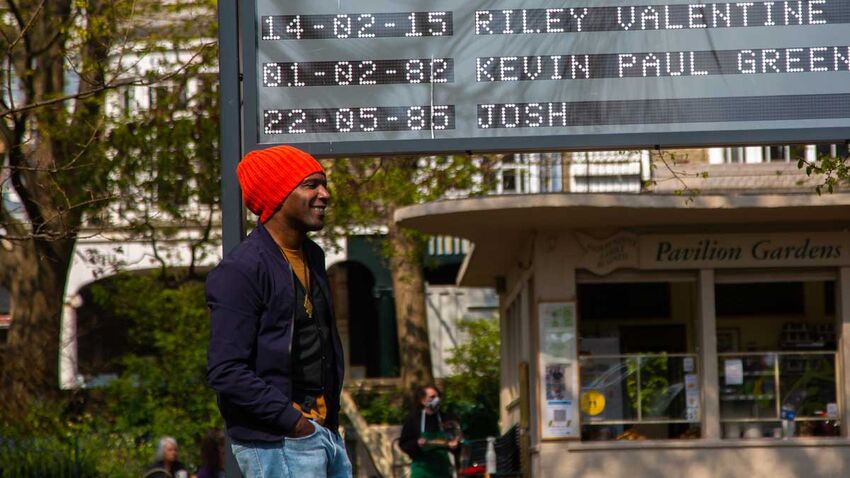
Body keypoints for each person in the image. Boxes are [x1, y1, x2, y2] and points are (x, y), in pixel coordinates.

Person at [206, 145, 351, 478]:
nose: (324, 194)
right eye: (311, 184)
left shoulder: (313, 257)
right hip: (280, 441)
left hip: (323, 434)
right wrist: (294, 422)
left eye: (323, 184)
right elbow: (225, 370)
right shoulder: (241, 269)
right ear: (278, 194)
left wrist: (324, 426)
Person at [399, 386, 460, 478]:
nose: (437, 399)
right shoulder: (414, 419)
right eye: (432, 397)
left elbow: (454, 442)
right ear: (423, 400)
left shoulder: (445, 418)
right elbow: (404, 444)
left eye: (438, 396)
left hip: (442, 469)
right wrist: (416, 443)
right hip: (422, 469)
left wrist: (455, 446)